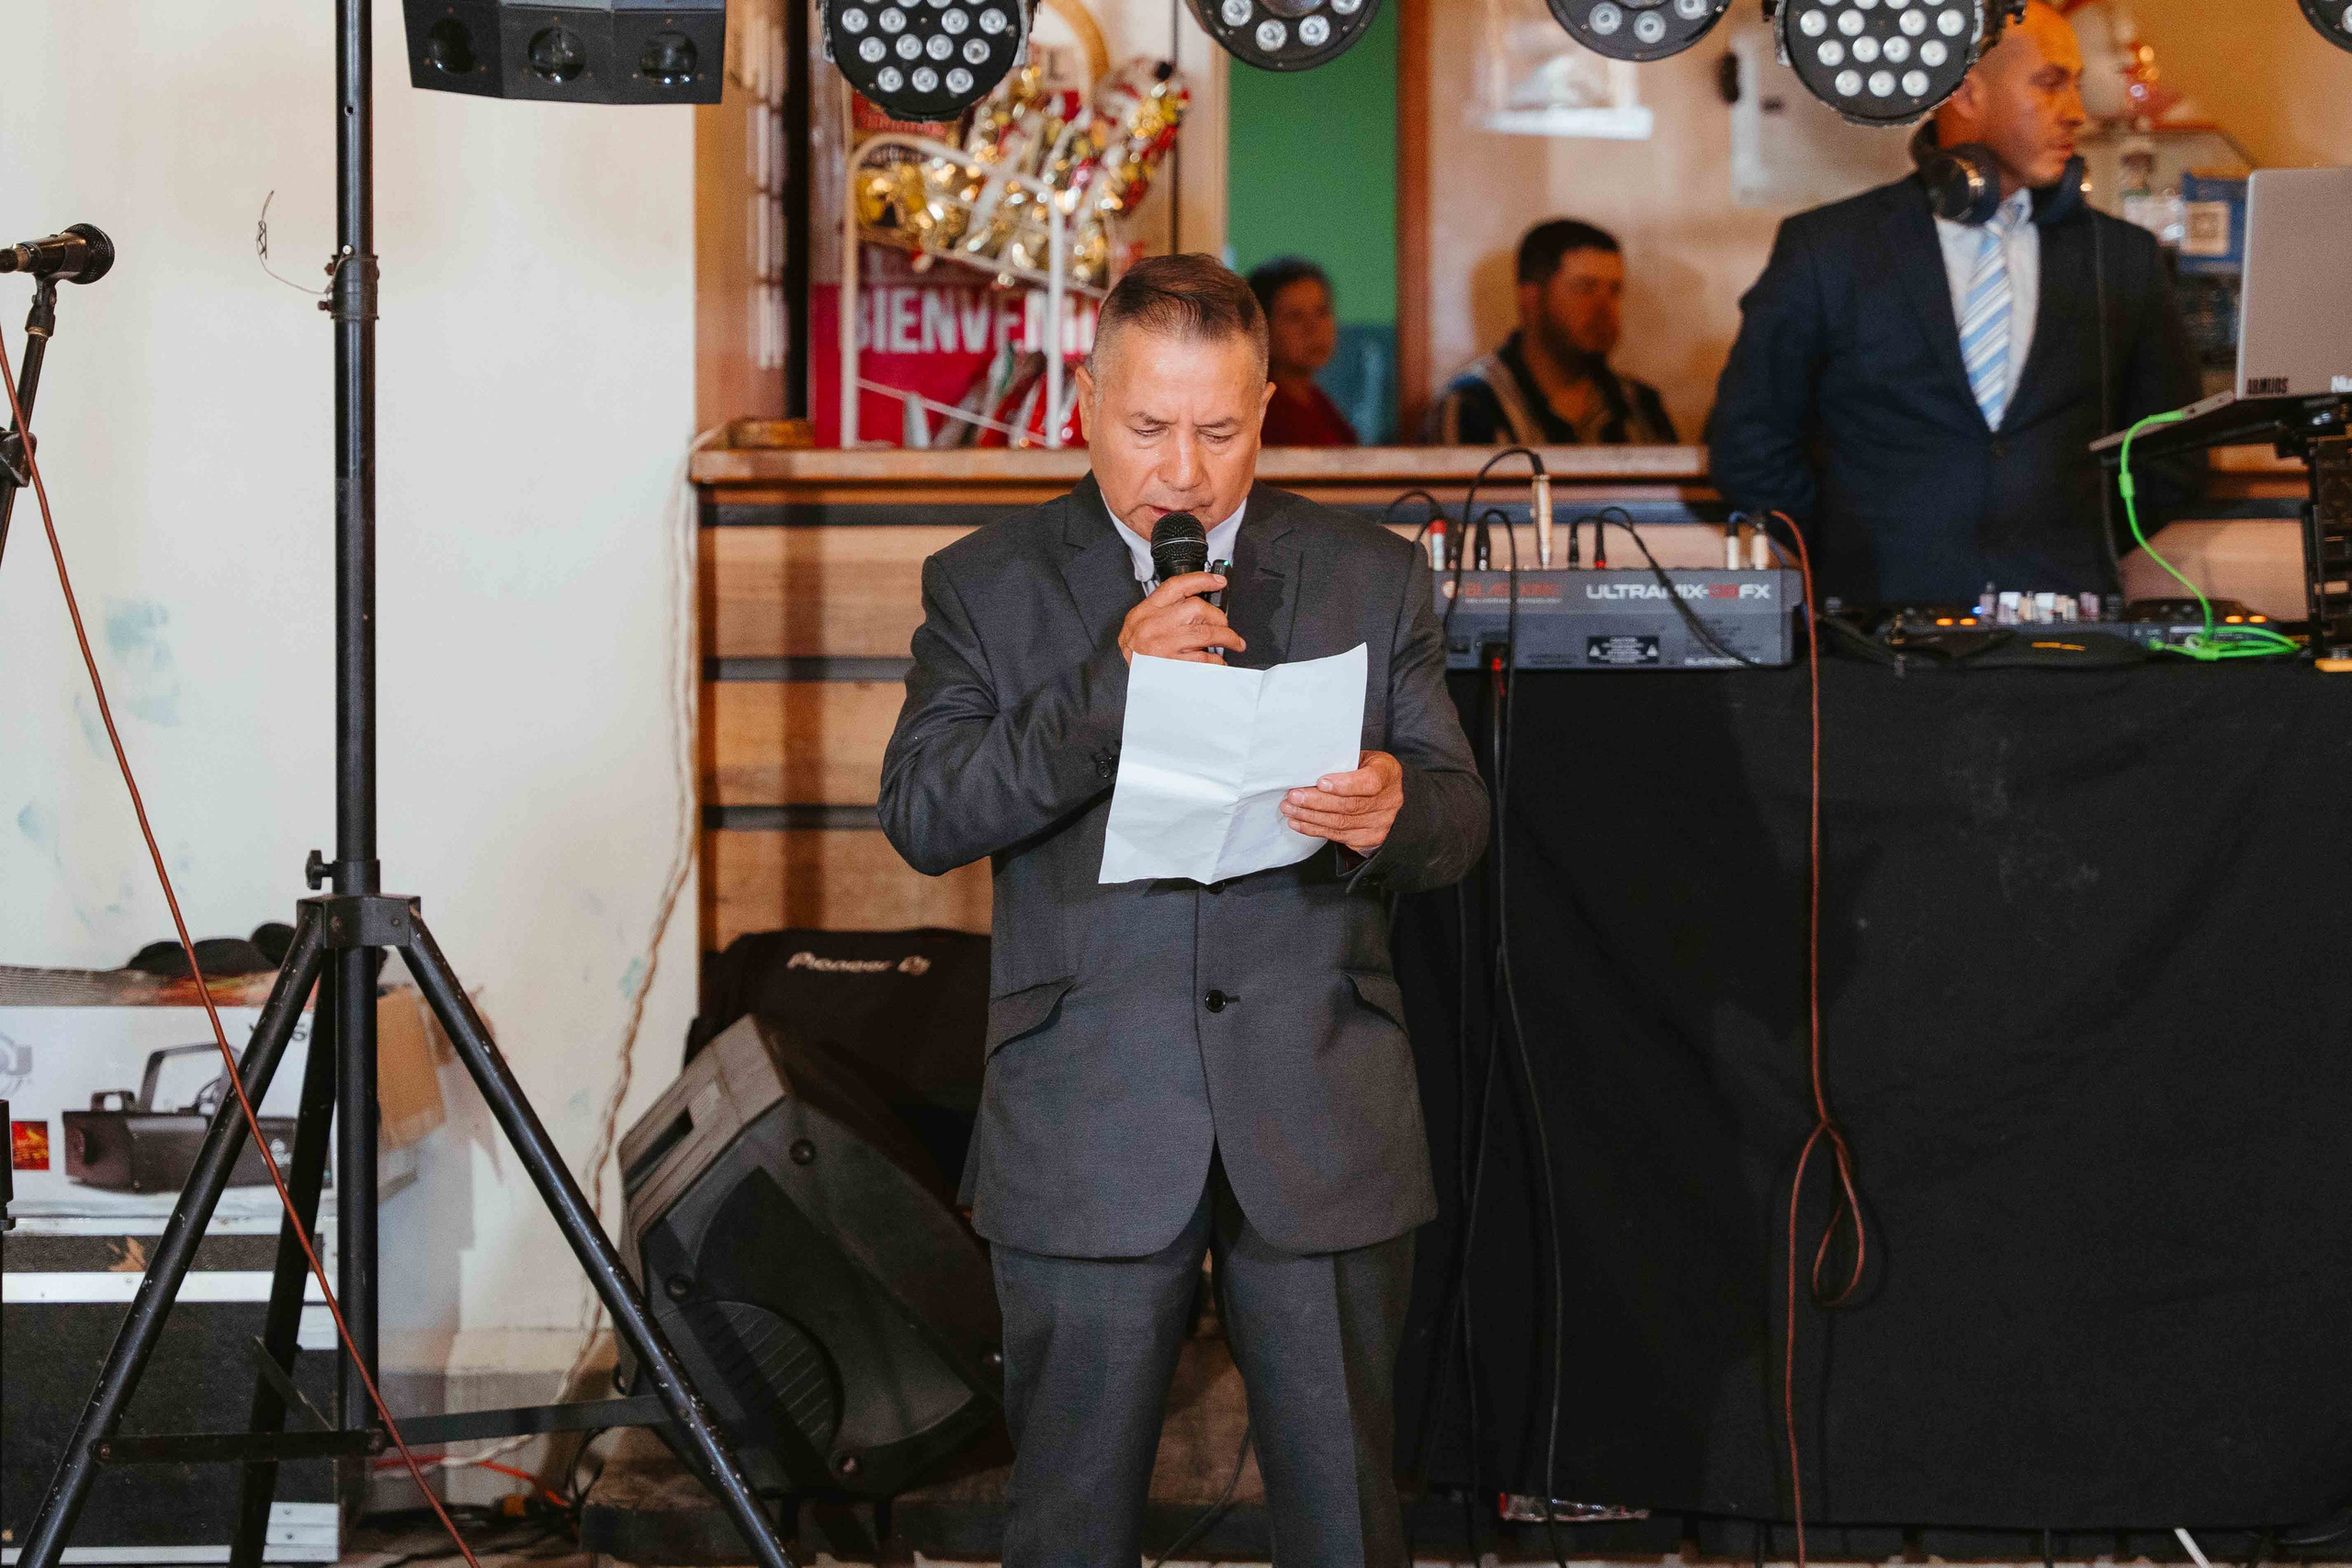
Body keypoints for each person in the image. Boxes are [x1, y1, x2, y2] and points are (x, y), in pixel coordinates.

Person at [878, 253, 1487, 1568]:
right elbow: (925, 811)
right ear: (1085, 401)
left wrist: (1396, 805)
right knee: (1070, 1522)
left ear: (1266, 411)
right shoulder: (987, 582)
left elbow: (1459, 814)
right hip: (1089, 1102)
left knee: (1346, 1521)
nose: (1183, 470)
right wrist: (1109, 688)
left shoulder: (1370, 575)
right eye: (1148, 426)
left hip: (1320, 1095)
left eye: (1218, 430)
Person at [1707, 0, 2202, 606]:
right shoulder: (1829, 249)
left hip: (2069, 635)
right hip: (1878, 637)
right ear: (1966, 93)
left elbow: (2176, 450)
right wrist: (1855, 547)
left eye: (2074, 85)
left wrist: (2073, 542)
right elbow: (1748, 444)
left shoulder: (2122, 256)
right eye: (2050, 84)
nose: (2075, 112)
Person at [1423, 219, 1677, 446]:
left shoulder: (1641, 405)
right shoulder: (1470, 405)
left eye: (1614, 291)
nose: (1605, 309)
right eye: (1584, 288)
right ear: (1531, 298)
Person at [1248, 255, 1360, 446]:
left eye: (1322, 312)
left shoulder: (1318, 402)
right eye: (1295, 317)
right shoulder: (1262, 411)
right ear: (1263, 329)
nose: (1313, 328)